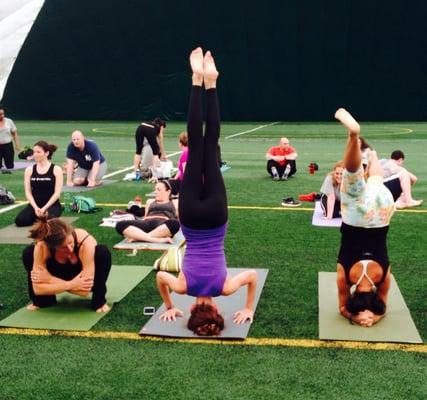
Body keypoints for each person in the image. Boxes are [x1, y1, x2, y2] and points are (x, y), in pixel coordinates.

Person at [156, 48, 257, 336]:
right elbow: (161, 278)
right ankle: (196, 80)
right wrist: (168, 305)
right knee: (196, 144)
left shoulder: (225, 289)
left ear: (215, 310)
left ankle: (211, 83)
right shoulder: (182, 287)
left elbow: (251, 278)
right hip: (189, 217)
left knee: (209, 144)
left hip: (215, 217)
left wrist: (248, 308)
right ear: (190, 311)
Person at [335, 108, 395, 327]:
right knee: (353, 178)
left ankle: (372, 157)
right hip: (357, 219)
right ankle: (354, 136)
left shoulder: (383, 277)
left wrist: (374, 316)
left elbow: (384, 308)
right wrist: (355, 316)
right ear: (355, 299)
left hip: (381, 214)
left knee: (376, 180)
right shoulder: (345, 276)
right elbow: (342, 308)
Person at [22, 216, 111, 312]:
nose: (70, 249)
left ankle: (99, 301)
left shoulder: (85, 242)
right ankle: (43, 301)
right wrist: (72, 284)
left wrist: (49, 279)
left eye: (70, 242)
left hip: (85, 280)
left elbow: (84, 291)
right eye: (63, 247)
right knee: (29, 252)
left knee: (102, 252)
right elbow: (38, 290)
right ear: (52, 246)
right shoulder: (42, 245)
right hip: (66, 277)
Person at [15, 141, 63, 227]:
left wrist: (44, 209)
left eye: (38, 152)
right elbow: (28, 192)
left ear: (46, 153)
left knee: (49, 222)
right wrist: (36, 208)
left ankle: (43, 216)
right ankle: (39, 216)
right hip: (35, 205)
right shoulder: (29, 170)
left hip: (52, 205)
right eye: (34, 152)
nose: (35, 154)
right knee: (20, 221)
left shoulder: (56, 169)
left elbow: (57, 194)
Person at [115, 180, 180, 243]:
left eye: (159, 190)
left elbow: (180, 219)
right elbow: (145, 217)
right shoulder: (150, 201)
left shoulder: (175, 202)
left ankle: (139, 238)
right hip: (146, 223)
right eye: (155, 189)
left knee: (175, 224)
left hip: (162, 226)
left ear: (168, 192)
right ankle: (154, 239)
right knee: (120, 225)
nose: (156, 192)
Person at [0, 105, 21, 173]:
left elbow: (14, 133)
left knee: (10, 166)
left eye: (3, 114)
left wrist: (17, 144)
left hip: (8, 146)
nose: (2, 116)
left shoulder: (9, 121)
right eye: (0, 114)